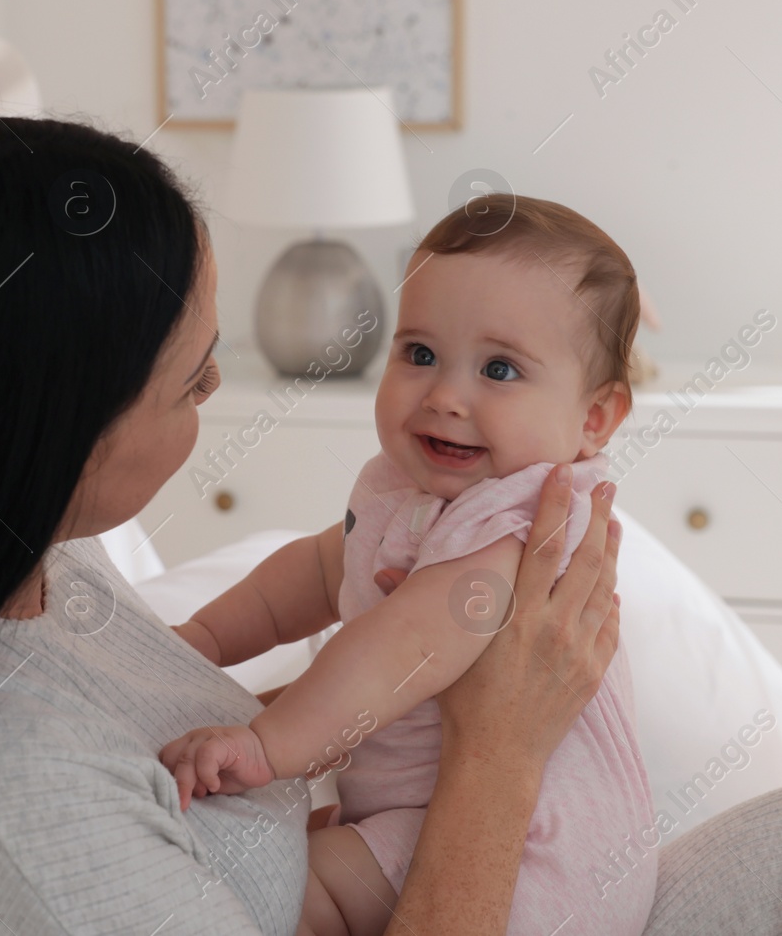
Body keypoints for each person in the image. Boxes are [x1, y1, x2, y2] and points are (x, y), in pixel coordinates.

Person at [0, 116, 782, 936]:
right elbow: (349, 604)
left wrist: (290, 729)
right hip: (474, 872)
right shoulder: (13, 823)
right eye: (189, 378)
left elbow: (340, 615)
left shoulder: (7, 567)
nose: (217, 390)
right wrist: (499, 744)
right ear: (38, 421)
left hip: (477, 857)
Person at [160, 196, 655, 935]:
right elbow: (319, 569)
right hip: (422, 810)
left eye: (499, 368)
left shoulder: (519, 517)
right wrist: (203, 638)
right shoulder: (408, 488)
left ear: (593, 419)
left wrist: (267, 745)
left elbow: (405, 643)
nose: (446, 396)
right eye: (419, 354)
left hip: (537, 854)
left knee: (289, 886)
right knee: (285, 845)